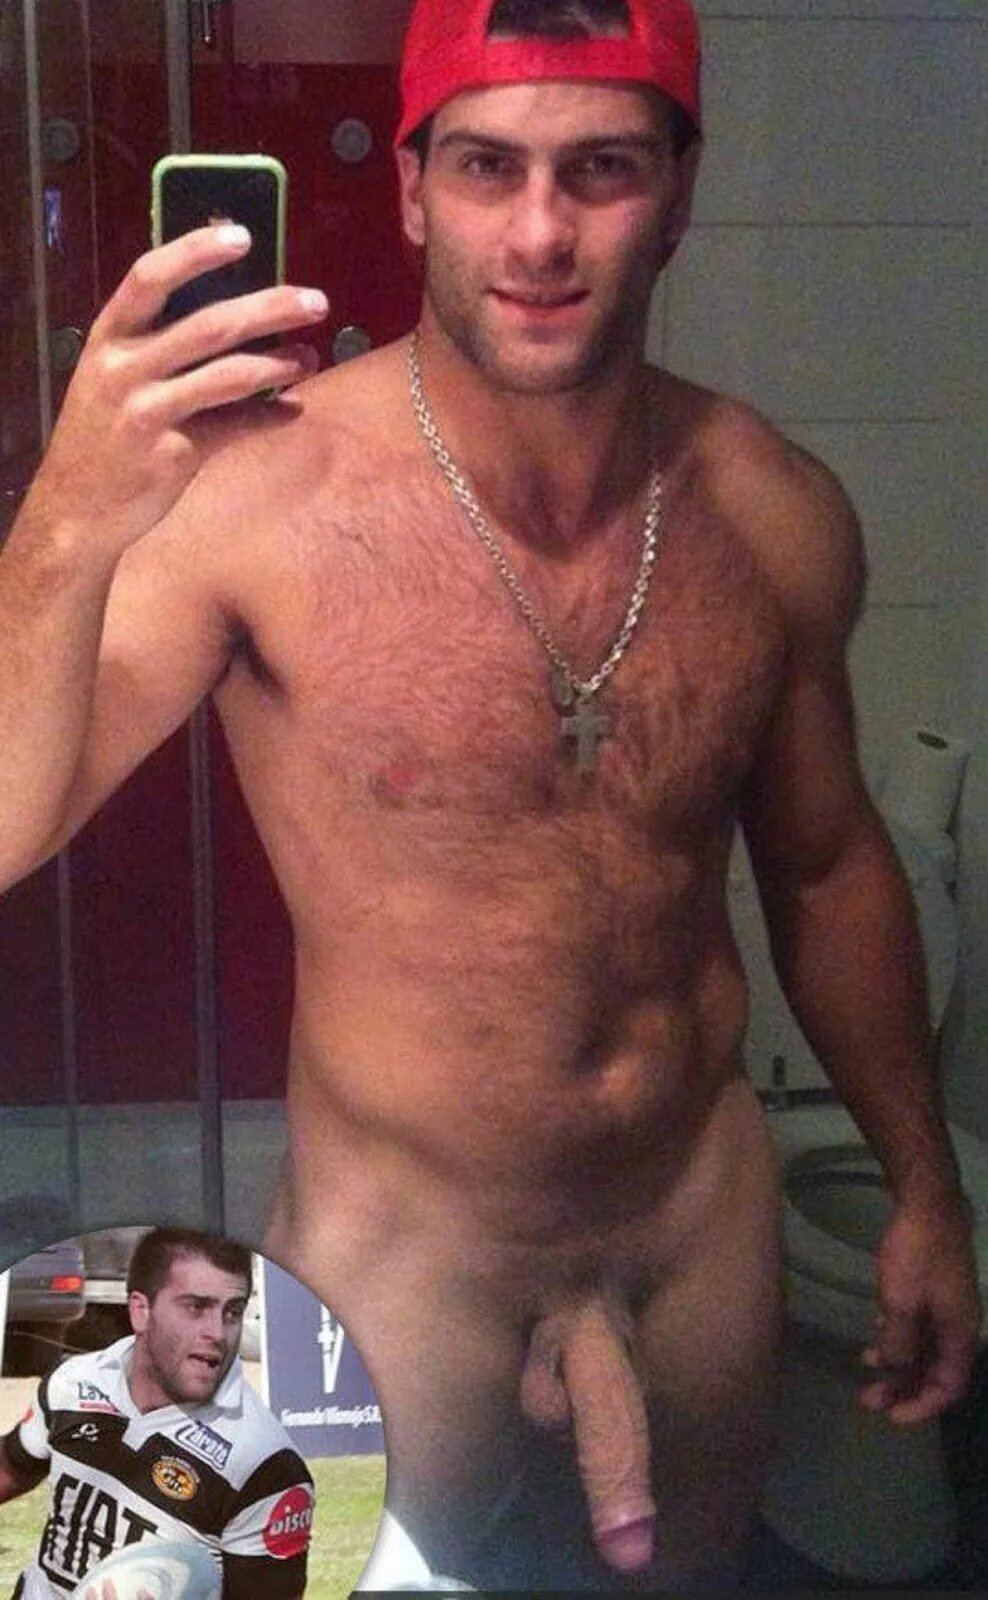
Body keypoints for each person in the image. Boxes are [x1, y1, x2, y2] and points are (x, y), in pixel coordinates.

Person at [0, 0, 981, 1586]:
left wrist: (925, 1187)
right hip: (407, 1260)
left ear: (679, 189)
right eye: (485, 167)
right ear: (410, 192)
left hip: (693, 1228)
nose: (538, 233)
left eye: (601, 167)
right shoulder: (255, 501)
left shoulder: (774, 513)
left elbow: (827, 868)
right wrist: (67, 512)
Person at [0, 1230, 314, 1599]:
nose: (218, 1333)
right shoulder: (74, 1382)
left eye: (232, 1311)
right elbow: (12, 1467)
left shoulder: (266, 1466)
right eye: (196, 1308)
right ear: (141, 1311)